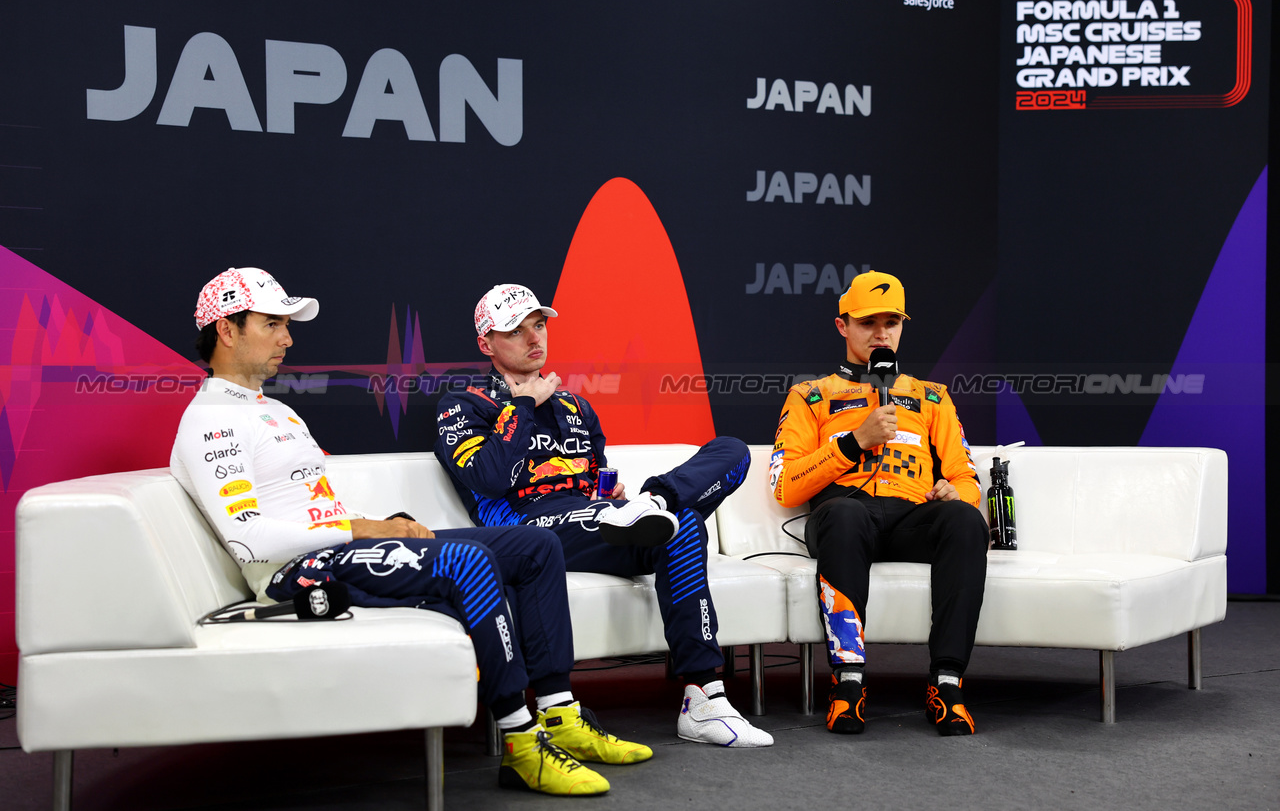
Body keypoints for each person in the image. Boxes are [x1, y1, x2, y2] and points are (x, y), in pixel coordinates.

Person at [171, 267, 652, 797]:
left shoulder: (276, 412)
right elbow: (249, 540)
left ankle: (561, 715)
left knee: (534, 546)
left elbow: (311, 508)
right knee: (468, 564)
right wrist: (365, 529)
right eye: (272, 324)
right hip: (297, 574)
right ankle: (521, 744)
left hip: (340, 549)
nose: (288, 338)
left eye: (287, 325)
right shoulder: (210, 421)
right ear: (226, 330)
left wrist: (381, 527)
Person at [432, 283, 773, 748]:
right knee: (681, 524)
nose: (535, 339)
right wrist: (524, 404)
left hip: (595, 520)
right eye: (516, 331)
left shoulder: (576, 407)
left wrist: (617, 497)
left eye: (539, 325)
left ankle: (702, 696)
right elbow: (491, 476)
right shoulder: (463, 405)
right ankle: (707, 694)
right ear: (486, 343)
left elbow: (592, 479)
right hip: (526, 531)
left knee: (726, 457)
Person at [770, 270, 988, 736]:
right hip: (843, 516)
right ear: (842, 326)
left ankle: (947, 683)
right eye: (869, 322)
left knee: (966, 522)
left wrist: (957, 491)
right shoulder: (811, 395)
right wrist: (854, 442)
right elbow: (786, 486)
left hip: (913, 519)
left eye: (892, 321)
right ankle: (848, 683)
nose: (881, 333)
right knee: (846, 514)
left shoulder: (932, 397)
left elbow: (967, 478)